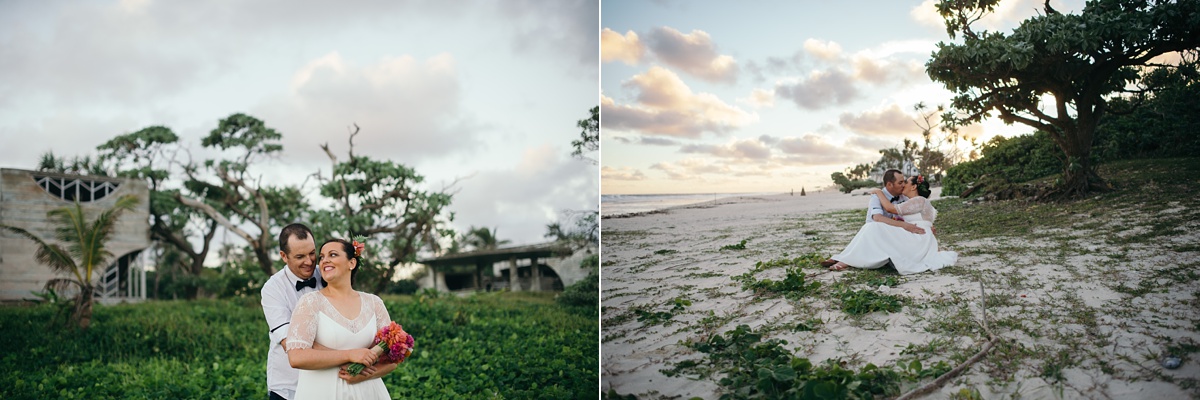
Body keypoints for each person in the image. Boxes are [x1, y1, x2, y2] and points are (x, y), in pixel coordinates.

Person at [285, 239, 397, 400]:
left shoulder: (374, 303)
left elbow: (392, 358)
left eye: (333, 255)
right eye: (322, 257)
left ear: (351, 263)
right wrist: (350, 354)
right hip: (322, 392)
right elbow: (296, 357)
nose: (325, 261)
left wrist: (365, 376)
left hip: (368, 393)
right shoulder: (310, 302)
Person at [822, 175, 958, 275]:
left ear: (914, 186)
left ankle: (845, 259)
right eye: (901, 182)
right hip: (916, 234)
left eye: (906, 182)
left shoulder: (918, 200)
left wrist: (879, 192)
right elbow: (880, 217)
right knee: (872, 227)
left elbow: (891, 209)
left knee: (872, 227)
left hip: (918, 237)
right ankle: (843, 258)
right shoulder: (912, 200)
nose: (903, 184)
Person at [262, 223, 323, 400]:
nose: (309, 261)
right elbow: (290, 343)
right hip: (288, 387)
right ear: (284, 256)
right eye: (300, 256)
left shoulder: (326, 275)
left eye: (312, 253)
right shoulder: (272, 288)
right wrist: (342, 354)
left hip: (326, 383)